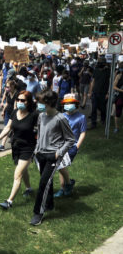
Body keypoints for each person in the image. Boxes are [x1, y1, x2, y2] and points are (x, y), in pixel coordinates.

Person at [31, 90, 76, 226]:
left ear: (49, 103)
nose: (38, 104)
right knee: (47, 182)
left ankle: (38, 212)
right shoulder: (41, 116)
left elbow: (70, 139)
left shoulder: (60, 118)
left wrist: (59, 152)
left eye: (40, 102)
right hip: (41, 154)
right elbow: (39, 133)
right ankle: (49, 204)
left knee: (43, 183)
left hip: (53, 156)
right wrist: (37, 149)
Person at [0, 91, 38, 209]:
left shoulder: (34, 115)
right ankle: (29, 188)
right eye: (18, 100)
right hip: (16, 147)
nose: (20, 102)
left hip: (28, 147)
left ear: (29, 102)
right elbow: (8, 127)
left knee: (17, 174)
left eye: (23, 100)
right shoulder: (15, 112)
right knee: (23, 170)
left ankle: (9, 201)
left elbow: (41, 131)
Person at [54, 94, 87, 197]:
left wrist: (77, 146)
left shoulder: (81, 117)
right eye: (66, 103)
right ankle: (65, 186)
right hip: (60, 145)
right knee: (61, 166)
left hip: (72, 146)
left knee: (61, 165)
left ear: (75, 104)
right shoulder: (61, 116)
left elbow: (82, 133)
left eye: (70, 103)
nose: (68, 105)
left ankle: (66, 185)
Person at [88, 57, 110, 129]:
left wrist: (108, 93)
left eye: (101, 63)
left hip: (104, 93)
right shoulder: (95, 70)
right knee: (94, 108)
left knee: (103, 108)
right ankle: (93, 124)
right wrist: (90, 92)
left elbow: (110, 83)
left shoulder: (108, 71)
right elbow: (93, 82)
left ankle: (103, 119)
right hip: (95, 92)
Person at [112, 66, 123, 133]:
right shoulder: (119, 76)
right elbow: (114, 86)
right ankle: (116, 127)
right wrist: (121, 90)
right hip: (120, 97)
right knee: (117, 113)